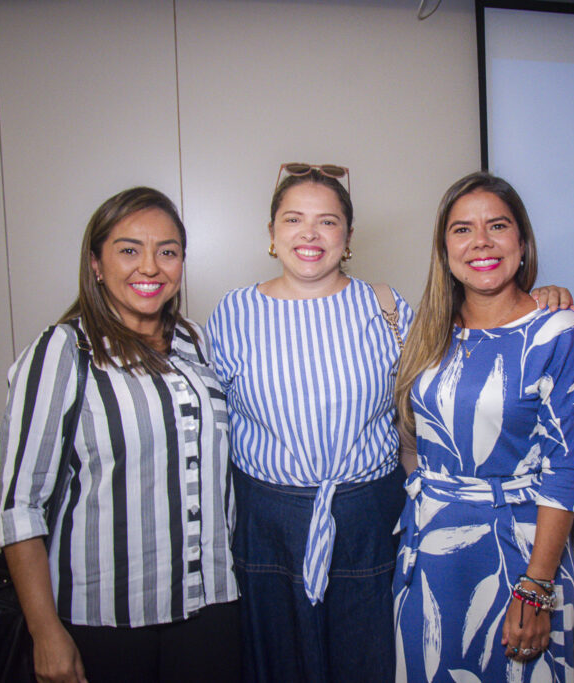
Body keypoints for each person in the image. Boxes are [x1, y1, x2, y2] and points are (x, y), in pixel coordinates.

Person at [0, 187, 240, 683]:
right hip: (107, 619)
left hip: (211, 607)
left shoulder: (196, 341)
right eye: (129, 250)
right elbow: (17, 507)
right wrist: (46, 631)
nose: (150, 267)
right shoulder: (64, 351)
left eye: (167, 251)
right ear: (97, 264)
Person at [207, 163, 414, 682]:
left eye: (327, 221)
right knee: (277, 666)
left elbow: (424, 409)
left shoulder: (387, 307)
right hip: (267, 521)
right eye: (293, 219)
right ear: (272, 234)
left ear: (347, 238)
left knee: (368, 663)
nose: (310, 234)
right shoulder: (234, 312)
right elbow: (208, 421)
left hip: (367, 516)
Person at [392, 172, 574, 682]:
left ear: (521, 242)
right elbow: (415, 442)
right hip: (429, 552)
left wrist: (535, 588)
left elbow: (565, 468)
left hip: (517, 556)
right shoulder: (432, 329)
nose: (480, 241)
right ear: (444, 248)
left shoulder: (556, 331)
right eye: (462, 229)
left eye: (497, 226)